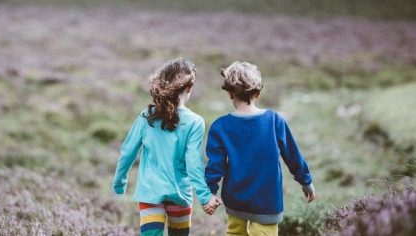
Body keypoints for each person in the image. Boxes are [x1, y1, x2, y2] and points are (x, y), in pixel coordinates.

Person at [113, 58, 221, 236]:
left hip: (150, 194)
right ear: (189, 88)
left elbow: (127, 152)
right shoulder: (195, 122)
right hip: (180, 195)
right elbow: (193, 163)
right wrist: (205, 196)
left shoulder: (146, 116)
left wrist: (119, 182)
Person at [205, 61, 315, 236]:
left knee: (234, 233)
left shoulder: (220, 126)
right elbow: (293, 155)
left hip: (235, 201)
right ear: (258, 93)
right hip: (267, 203)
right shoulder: (274, 121)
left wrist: (209, 192)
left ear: (230, 93)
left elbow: (215, 166)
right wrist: (305, 181)